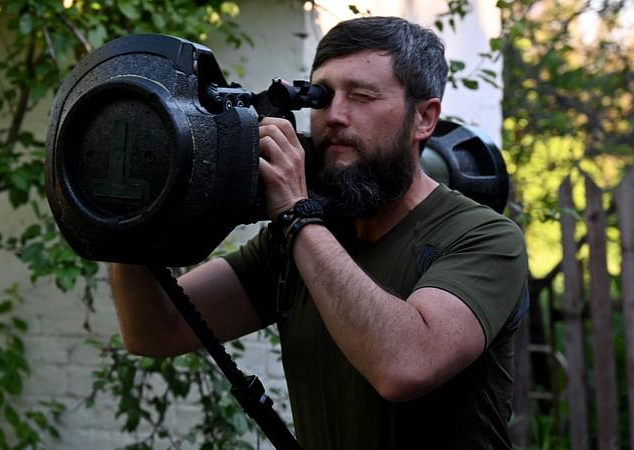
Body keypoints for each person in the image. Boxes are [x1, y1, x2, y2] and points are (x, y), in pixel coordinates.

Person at [110, 16, 528, 449]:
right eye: (322, 96)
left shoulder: (486, 238)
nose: (334, 116)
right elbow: (155, 330)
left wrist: (295, 213)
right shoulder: (301, 239)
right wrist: (132, 213)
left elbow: (405, 365)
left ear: (424, 118)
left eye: (363, 96)